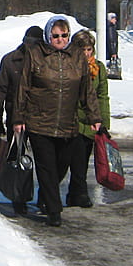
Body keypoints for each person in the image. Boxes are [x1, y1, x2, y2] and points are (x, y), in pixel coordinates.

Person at [14, 15, 99, 227]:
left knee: (61, 165)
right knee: (46, 167)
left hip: (67, 123)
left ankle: (46, 197)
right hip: (39, 121)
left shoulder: (77, 57)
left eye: (64, 35)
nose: (60, 39)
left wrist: (93, 115)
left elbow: (86, 89)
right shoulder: (36, 55)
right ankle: (54, 210)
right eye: (55, 36)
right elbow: (23, 88)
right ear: (47, 35)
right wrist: (18, 117)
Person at [59, 29, 111, 209]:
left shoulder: (98, 68)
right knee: (68, 160)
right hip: (71, 120)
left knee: (82, 160)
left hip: (90, 121)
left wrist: (103, 122)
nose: (86, 53)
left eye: (89, 49)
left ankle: (77, 193)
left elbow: (102, 96)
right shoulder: (67, 65)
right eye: (83, 49)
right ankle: (74, 193)